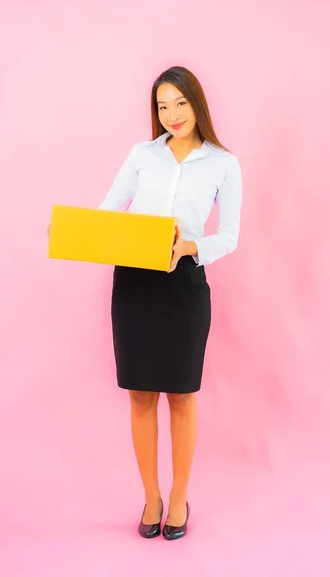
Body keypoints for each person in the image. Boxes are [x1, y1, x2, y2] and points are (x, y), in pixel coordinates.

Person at [97, 66, 242, 540]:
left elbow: (230, 235)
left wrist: (191, 247)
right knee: (141, 394)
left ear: (196, 103)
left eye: (180, 103)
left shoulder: (224, 162)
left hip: (184, 284)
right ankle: (152, 496)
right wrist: (76, 232)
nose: (172, 114)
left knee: (181, 394)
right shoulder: (142, 154)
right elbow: (108, 213)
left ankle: (178, 496)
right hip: (136, 282)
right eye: (162, 105)